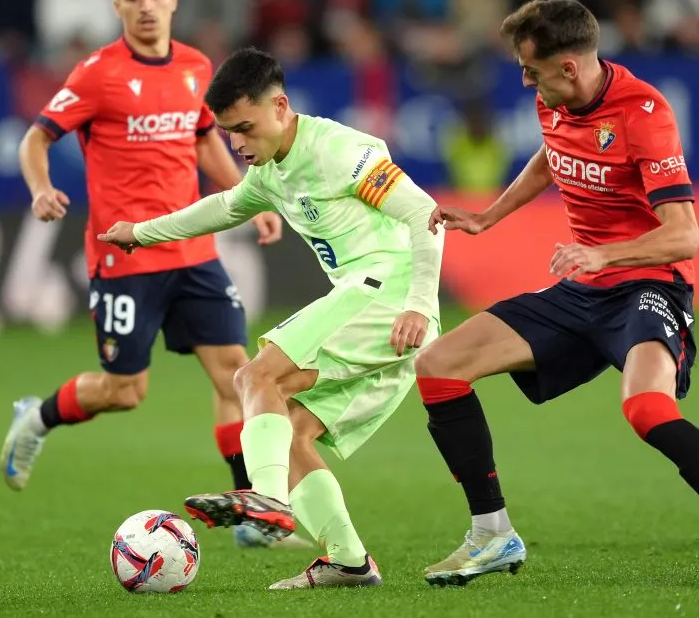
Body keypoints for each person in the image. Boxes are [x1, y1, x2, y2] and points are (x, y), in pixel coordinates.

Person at [414, 0, 699, 587]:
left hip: (649, 287)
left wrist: (603, 253)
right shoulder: (555, 103)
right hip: (583, 290)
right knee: (438, 365)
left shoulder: (643, 113)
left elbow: (683, 236)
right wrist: (488, 217)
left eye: (532, 70)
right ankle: (493, 534)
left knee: (647, 409)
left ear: (569, 67)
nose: (525, 81)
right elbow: (553, 159)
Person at [98, 47, 445, 589]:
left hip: (387, 296)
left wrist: (420, 303)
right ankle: (349, 561)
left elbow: (426, 213)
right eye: (228, 133)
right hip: (377, 310)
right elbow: (223, 207)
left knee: (253, 377)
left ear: (280, 106)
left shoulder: (337, 150)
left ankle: (267, 499)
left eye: (244, 128)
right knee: (292, 433)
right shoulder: (268, 172)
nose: (236, 145)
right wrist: (141, 233)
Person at [0, 0, 299, 549]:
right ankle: (35, 419)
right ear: (117, 5)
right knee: (126, 391)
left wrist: (250, 198)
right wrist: (40, 189)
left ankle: (249, 517)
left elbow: (204, 142)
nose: (145, 6)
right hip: (124, 258)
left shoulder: (194, 67)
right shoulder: (96, 74)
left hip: (193, 252)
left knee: (235, 375)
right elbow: (36, 137)